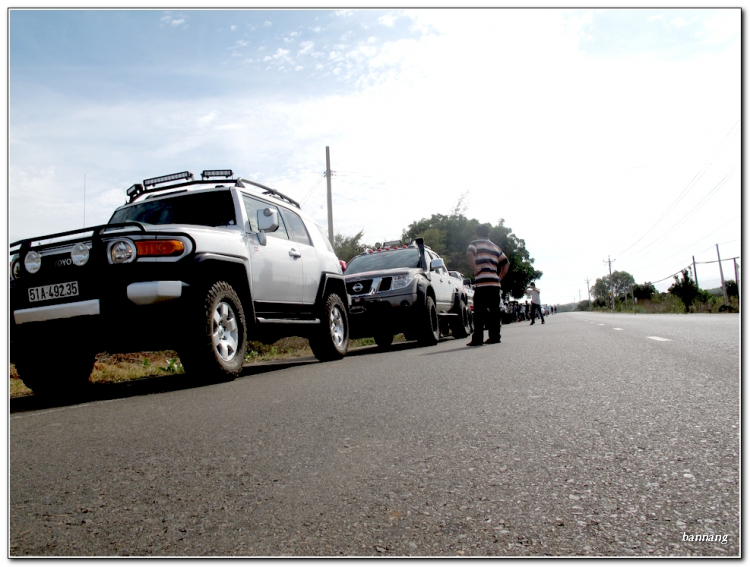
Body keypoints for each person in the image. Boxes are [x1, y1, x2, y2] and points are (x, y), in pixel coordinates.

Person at [465, 224, 509, 346]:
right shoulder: (496, 247)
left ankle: (477, 339)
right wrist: (499, 278)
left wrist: (475, 269)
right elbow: (506, 264)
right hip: (495, 284)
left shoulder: (475, 243)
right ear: (488, 234)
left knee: (479, 312)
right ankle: (495, 337)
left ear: (477, 234)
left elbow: (469, 254)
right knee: (494, 312)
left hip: (482, 283)